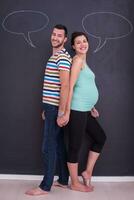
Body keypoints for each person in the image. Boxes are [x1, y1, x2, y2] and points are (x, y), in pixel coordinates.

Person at [25, 24, 72, 196]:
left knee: (48, 147)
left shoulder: (62, 57)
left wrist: (60, 112)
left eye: (60, 36)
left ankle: (45, 186)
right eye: (54, 34)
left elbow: (65, 86)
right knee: (58, 145)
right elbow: (54, 86)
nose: (55, 37)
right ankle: (63, 180)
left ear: (65, 39)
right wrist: (47, 107)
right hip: (50, 106)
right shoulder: (55, 56)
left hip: (55, 108)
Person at [57, 32, 106, 192]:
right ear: (73, 46)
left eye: (84, 41)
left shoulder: (83, 61)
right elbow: (70, 87)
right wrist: (67, 112)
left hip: (85, 109)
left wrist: (91, 105)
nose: (82, 44)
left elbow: (83, 86)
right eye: (78, 43)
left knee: (100, 138)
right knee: (75, 146)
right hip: (76, 109)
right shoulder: (77, 61)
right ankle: (75, 183)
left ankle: (87, 172)